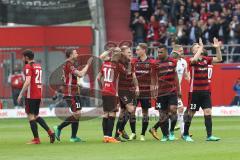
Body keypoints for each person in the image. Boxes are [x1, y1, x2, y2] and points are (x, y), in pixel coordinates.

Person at [183, 38, 222, 142]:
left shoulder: (206, 59)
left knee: (208, 112)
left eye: (199, 47)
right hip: (194, 92)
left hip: (205, 91)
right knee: (191, 113)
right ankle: (186, 134)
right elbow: (195, 59)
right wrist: (201, 47)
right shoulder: (190, 60)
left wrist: (217, 49)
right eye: (196, 47)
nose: (199, 48)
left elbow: (219, 59)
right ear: (193, 51)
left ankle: (209, 136)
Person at [53, 49, 92, 143]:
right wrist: (88, 65)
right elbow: (81, 74)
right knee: (77, 114)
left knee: (77, 114)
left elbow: (64, 77)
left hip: (75, 92)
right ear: (70, 55)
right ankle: (58, 128)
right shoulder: (68, 64)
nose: (77, 54)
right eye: (75, 53)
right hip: (70, 93)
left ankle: (73, 137)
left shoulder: (70, 65)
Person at [17, 49, 55, 144]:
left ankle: (36, 139)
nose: (22, 59)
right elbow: (40, 82)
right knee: (35, 115)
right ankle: (50, 132)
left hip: (31, 95)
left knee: (30, 116)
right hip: (37, 94)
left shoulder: (28, 66)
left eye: (23, 57)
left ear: (26, 57)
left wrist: (21, 94)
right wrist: (41, 96)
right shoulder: (38, 66)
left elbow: (28, 81)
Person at [149, 44, 180, 142]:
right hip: (161, 93)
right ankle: (165, 135)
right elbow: (153, 77)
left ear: (166, 52)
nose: (159, 54)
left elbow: (175, 76)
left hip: (172, 91)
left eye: (161, 52)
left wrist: (179, 90)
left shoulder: (173, 62)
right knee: (162, 115)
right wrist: (153, 91)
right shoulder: (155, 63)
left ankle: (171, 132)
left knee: (173, 109)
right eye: (158, 52)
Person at [97, 51, 129, 143]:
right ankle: (110, 137)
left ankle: (106, 137)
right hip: (112, 92)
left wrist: (102, 88)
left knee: (106, 114)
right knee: (112, 114)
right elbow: (127, 72)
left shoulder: (105, 64)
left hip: (104, 91)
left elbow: (98, 78)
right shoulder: (118, 66)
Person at [114, 46, 139, 142]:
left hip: (130, 90)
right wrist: (115, 92)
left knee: (123, 113)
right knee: (131, 109)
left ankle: (117, 134)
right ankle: (120, 130)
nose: (130, 54)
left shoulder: (131, 63)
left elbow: (134, 76)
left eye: (130, 52)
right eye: (128, 52)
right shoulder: (118, 63)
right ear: (123, 53)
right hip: (122, 90)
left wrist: (137, 87)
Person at [131, 43, 155, 141]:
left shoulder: (151, 62)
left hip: (146, 91)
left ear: (144, 50)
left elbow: (154, 76)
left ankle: (143, 134)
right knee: (132, 111)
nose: (136, 51)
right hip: (135, 91)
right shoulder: (134, 62)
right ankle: (133, 133)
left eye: (138, 50)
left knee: (145, 112)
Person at [171, 45, 190, 136]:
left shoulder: (184, 62)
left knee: (180, 109)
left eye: (182, 50)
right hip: (168, 89)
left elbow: (186, 75)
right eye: (181, 50)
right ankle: (168, 132)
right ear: (175, 51)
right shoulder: (170, 61)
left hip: (177, 90)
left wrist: (190, 79)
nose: (182, 52)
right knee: (170, 111)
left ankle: (183, 133)